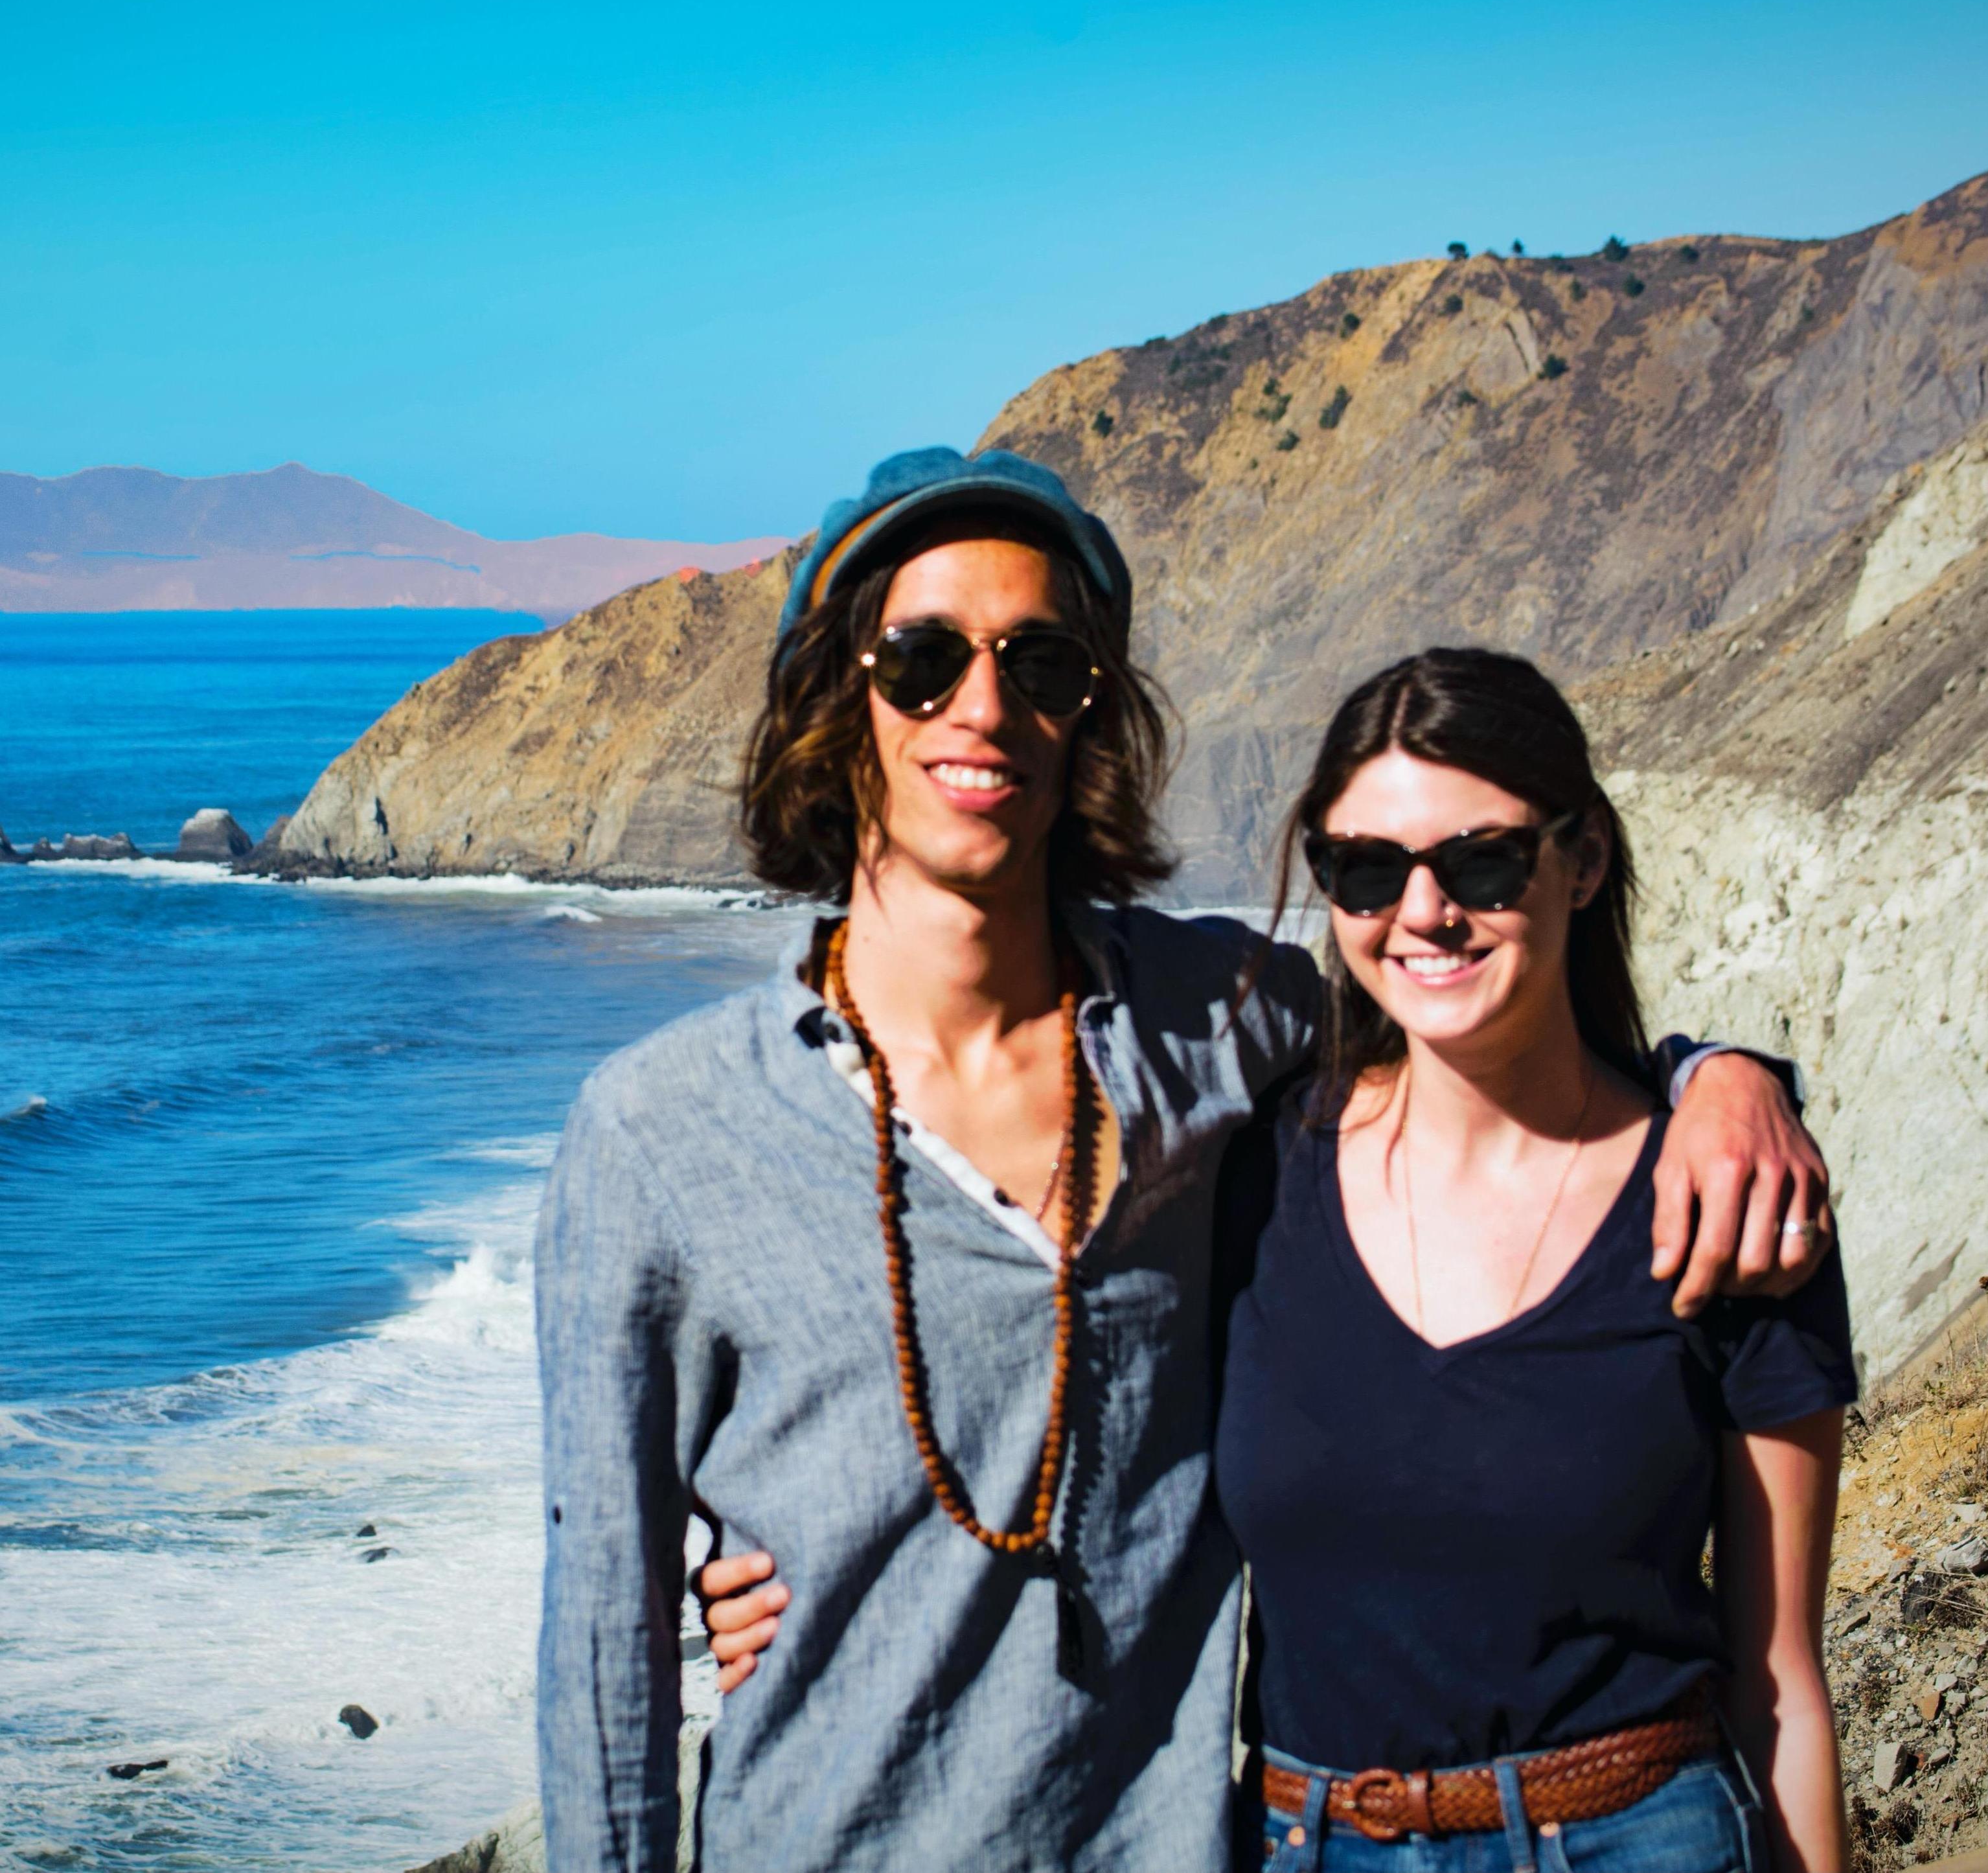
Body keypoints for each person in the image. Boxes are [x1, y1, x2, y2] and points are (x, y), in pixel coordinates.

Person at [537, 448, 1828, 1873]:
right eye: (919, 660)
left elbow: (1466, 1010)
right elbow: (607, 1633)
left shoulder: (1215, 1032)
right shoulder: (657, 1132)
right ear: (836, 703)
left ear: (1089, 710)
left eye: (1042, 662)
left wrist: (1720, 1081)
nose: (984, 705)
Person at [1214, 649, 1851, 1872]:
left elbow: (1780, 1684)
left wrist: (1726, 1079)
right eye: (1363, 870)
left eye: (1482, 861)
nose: (1423, 913)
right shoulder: (1252, 1180)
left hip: (1640, 1839)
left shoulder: (1729, 1204)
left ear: (1585, 860)